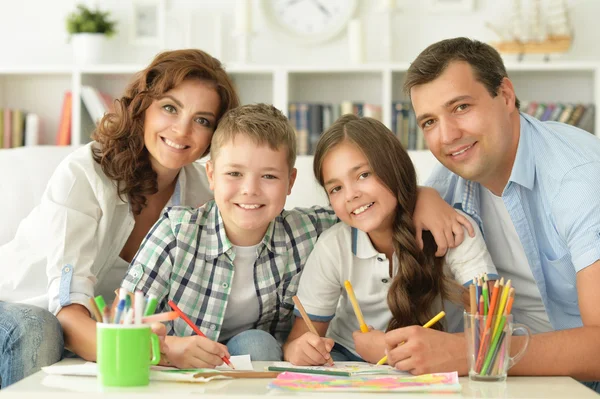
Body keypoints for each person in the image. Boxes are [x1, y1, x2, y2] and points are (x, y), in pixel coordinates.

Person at [0, 49, 239, 387]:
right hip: (16, 307)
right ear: (143, 108)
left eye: (202, 120)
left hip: (100, 334)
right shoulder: (83, 174)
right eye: (170, 108)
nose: (182, 130)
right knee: (40, 327)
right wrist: (161, 349)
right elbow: (67, 313)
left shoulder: (205, 193)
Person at [384, 37, 600, 391]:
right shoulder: (444, 187)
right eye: (429, 122)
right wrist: (419, 194)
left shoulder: (579, 179)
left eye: (460, 107)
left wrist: (477, 352)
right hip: (501, 381)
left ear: (506, 96)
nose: (447, 136)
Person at [121, 103, 341, 368]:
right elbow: (122, 325)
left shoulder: (306, 232)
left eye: (269, 176)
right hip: (181, 369)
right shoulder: (175, 233)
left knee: (255, 344)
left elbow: (361, 210)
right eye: (234, 173)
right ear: (211, 175)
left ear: (290, 182)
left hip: (257, 360)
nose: (250, 189)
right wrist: (169, 350)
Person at [282, 114, 497, 365]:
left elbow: (491, 328)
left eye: (363, 175)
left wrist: (390, 351)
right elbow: (300, 339)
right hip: (349, 356)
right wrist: (299, 350)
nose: (351, 195)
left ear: (394, 168)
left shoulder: (450, 227)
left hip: (436, 358)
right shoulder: (333, 246)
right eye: (336, 188)